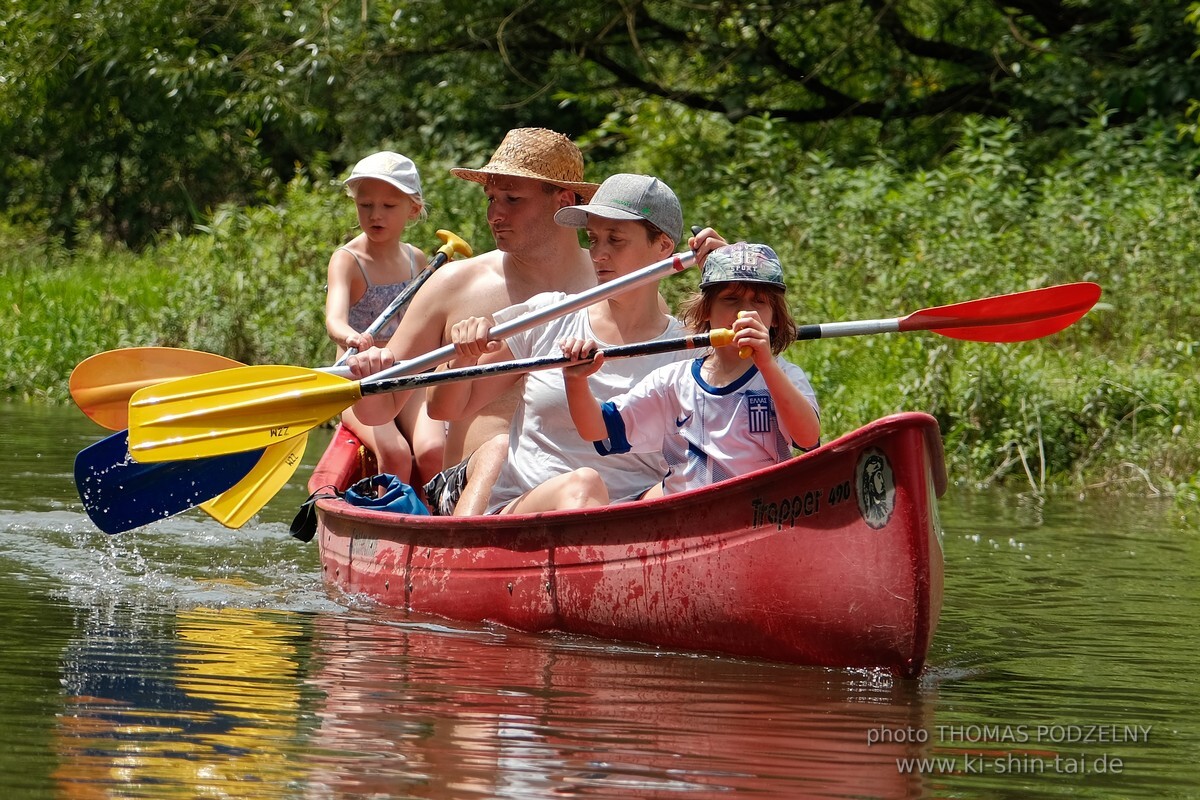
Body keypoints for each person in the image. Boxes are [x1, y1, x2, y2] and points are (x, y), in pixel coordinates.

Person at [426, 174, 725, 515]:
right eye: (594, 239)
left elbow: (751, 414)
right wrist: (462, 357)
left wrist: (734, 281)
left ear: (663, 247)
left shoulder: (691, 350)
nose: (598, 254)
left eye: (616, 240)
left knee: (684, 482)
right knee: (582, 485)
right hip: (520, 512)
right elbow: (443, 409)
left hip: (628, 522)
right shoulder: (547, 316)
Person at [344, 128, 601, 515]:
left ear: (563, 201)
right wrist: (370, 375)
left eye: (512, 199)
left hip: (588, 480)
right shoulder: (453, 285)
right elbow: (378, 411)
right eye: (492, 199)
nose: (494, 215)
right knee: (497, 451)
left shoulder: (613, 283)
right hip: (473, 490)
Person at [561, 242, 821, 500]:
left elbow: (808, 437)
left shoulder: (785, 376)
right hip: (687, 522)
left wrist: (766, 364)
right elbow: (597, 429)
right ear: (707, 310)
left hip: (760, 514)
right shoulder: (673, 381)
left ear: (774, 317)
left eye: (759, 302)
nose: (744, 312)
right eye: (730, 299)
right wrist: (575, 381)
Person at [324, 151, 444, 486]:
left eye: (389, 206)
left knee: (434, 448)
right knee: (396, 454)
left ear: (413, 209)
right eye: (366, 205)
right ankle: (389, 523)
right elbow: (334, 319)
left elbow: (431, 320)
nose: (375, 215)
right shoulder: (347, 260)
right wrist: (350, 337)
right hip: (357, 382)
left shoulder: (416, 259)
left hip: (403, 374)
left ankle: (435, 523)